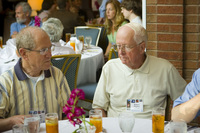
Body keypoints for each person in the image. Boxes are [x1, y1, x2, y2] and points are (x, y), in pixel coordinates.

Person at [92, 22, 187, 119]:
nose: (121, 52)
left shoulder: (165, 69)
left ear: (142, 48)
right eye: (118, 46)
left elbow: (186, 101)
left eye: (126, 46)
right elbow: (98, 107)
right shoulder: (110, 68)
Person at [0, 26, 71, 132]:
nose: (50, 54)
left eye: (50, 48)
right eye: (43, 50)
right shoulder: (6, 81)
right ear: (24, 53)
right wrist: (12, 121)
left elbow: (70, 113)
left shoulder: (57, 75)